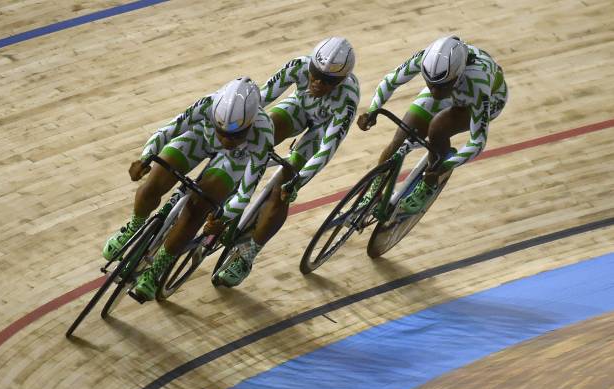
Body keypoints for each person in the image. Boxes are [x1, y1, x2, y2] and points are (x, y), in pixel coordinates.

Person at [102, 77, 274, 300]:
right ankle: (134, 226)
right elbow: (168, 131)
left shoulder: (263, 132)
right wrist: (145, 158)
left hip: (233, 161)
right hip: (199, 138)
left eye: (235, 135)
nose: (225, 139)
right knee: (152, 184)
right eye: (221, 131)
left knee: (196, 209)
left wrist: (223, 216)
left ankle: (157, 270)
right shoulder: (207, 104)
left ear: (250, 123)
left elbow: (247, 190)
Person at [216, 37, 360, 287]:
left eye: (327, 81)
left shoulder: (346, 100)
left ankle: (248, 256)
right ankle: (229, 189)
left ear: (341, 81)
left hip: (321, 130)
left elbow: (326, 149)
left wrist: (298, 181)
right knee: (258, 133)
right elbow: (258, 101)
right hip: (298, 109)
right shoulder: (298, 66)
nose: (317, 82)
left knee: (283, 188)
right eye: (315, 74)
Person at [357, 36, 508, 213]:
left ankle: (429, 183)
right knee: (400, 138)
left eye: (440, 86)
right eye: (430, 84)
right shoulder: (428, 61)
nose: (434, 91)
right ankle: (375, 189)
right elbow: (391, 80)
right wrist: (373, 109)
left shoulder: (478, 83)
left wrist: (444, 167)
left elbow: (478, 142)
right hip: (453, 89)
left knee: (438, 129)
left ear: (457, 75)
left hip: (482, 99)